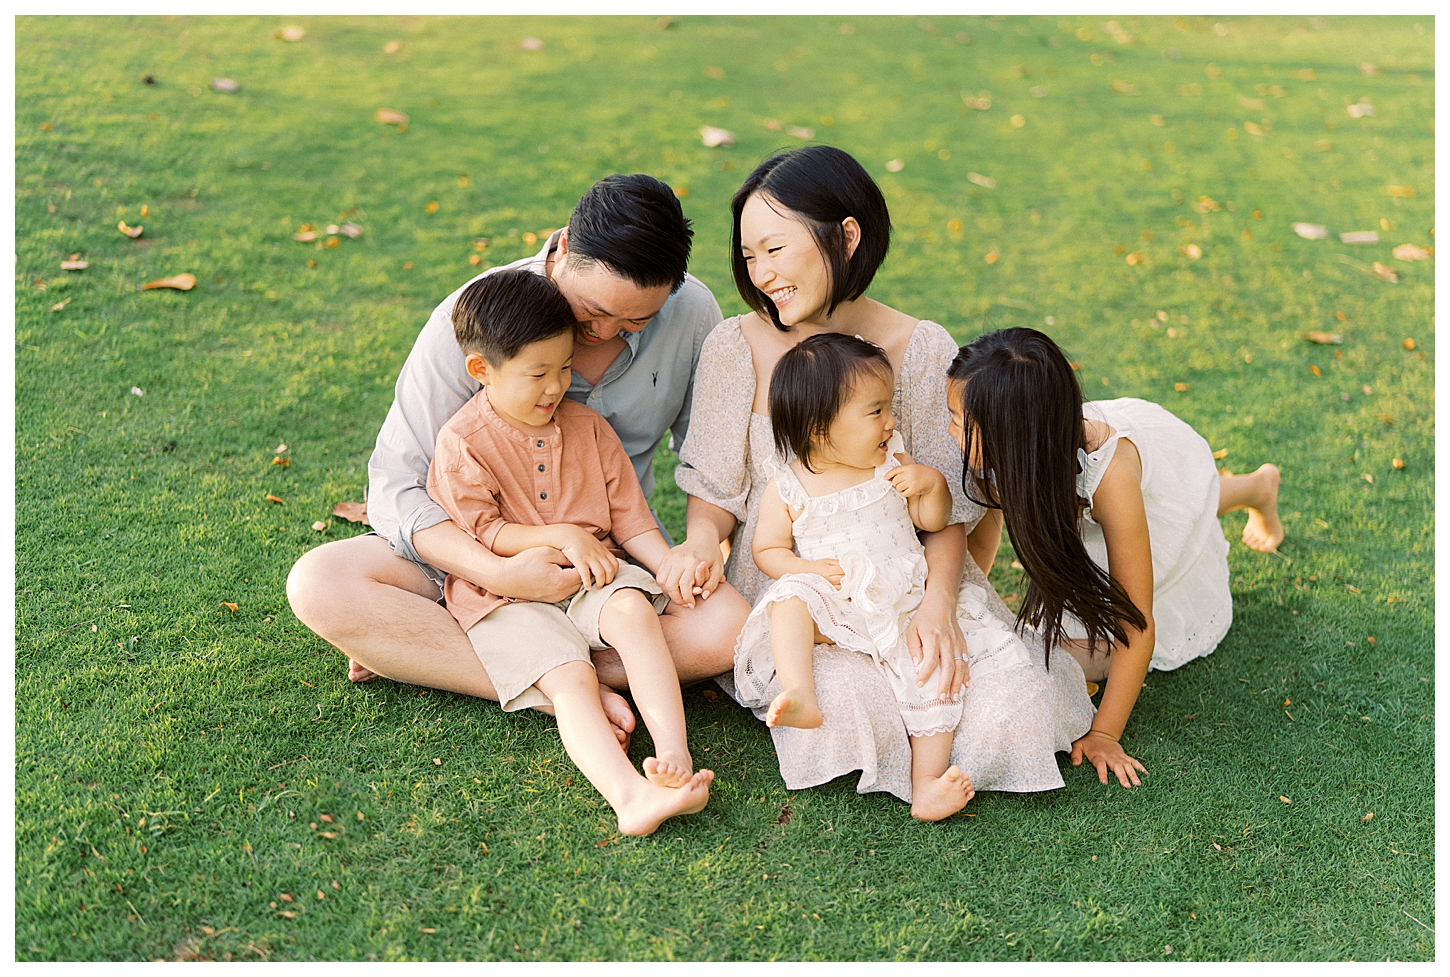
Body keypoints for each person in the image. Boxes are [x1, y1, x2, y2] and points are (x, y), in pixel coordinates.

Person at [668, 145, 1094, 802]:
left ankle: (943, 755)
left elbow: (947, 509)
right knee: (846, 704)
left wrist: (938, 606)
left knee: (1011, 691)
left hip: (911, 576)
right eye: (750, 255)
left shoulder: (922, 349)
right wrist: (702, 541)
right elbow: (715, 493)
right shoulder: (734, 345)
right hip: (806, 594)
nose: (761, 273)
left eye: (775, 249)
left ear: (846, 235)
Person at [286, 175, 749, 736]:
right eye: (590, 313)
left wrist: (697, 542)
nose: (603, 335)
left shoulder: (694, 311)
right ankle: (567, 687)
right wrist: (502, 572)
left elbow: (714, 453)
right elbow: (395, 486)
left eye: (635, 324)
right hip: (474, 556)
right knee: (321, 582)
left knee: (727, 625)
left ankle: (453, 657)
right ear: (564, 249)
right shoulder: (477, 317)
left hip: (604, 564)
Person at [426, 269, 711, 835]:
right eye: (538, 373)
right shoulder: (462, 441)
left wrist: (666, 560)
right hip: (504, 592)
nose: (556, 387)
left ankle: (673, 755)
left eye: (563, 369)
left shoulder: (588, 427)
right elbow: (483, 531)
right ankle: (630, 796)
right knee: (569, 679)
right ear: (481, 371)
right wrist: (559, 535)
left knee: (633, 612)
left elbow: (630, 518)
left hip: (592, 576)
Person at [945, 326, 1284, 789]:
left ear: (1012, 433)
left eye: (958, 421)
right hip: (1070, 476)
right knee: (1177, 512)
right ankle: (1253, 487)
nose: (949, 432)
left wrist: (1105, 732)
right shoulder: (1016, 452)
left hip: (1147, 474)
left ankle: (1257, 488)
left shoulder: (1111, 479)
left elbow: (1136, 621)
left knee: (1186, 509)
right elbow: (991, 518)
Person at [737, 334, 974, 821]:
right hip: (840, 601)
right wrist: (805, 570)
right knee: (789, 598)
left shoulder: (894, 462)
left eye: (888, 409)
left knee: (929, 675)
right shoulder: (788, 485)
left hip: (901, 600)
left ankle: (926, 784)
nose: (891, 422)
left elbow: (932, 521)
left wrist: (932, 484)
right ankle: (801, 692)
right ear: (821, 430)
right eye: (876, 412)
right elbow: (767, 550)